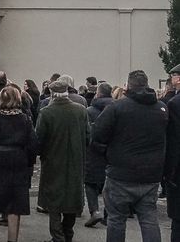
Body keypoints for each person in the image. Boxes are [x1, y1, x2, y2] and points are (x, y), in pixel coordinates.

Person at [93, 70, 168, 242]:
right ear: (147, 85)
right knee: (149, 219)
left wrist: (107, 156)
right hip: (151, 174)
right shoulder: (161, 109)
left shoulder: (117, 107)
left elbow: (98, 135)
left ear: (128, 85)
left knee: (116, 220)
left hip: (120, 174)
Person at [0, 85, 38, 242]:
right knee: (14, 203)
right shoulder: (25, 119)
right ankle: (12, 239)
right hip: (18, 162)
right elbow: (33, 145)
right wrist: (29, 163)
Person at [37, 79, 89, 242]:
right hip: (75, 161)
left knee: (54, 203)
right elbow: (88, 136)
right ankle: (68, 233)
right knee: (71, 200)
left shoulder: (46, 112)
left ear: (52, 94)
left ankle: (57, 237)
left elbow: (39, 139)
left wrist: (41, 154)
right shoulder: (81, 111)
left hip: (53, 162)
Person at [84, 81, 112, 228]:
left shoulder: (90, 111)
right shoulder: (116, 109)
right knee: (110, 185)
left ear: (98, 93)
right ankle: (108, 214)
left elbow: (88, 133)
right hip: (112, 153)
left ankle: (94, 211)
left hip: (93, 153)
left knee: (90, 183)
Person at [165, 64, 180, 242]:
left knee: (177, 219)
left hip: (178, 171)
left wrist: (169, 172)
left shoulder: (175, 104)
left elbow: (174, 141)